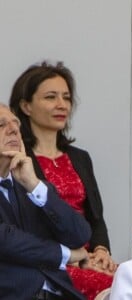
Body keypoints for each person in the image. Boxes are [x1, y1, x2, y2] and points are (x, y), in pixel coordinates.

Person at [9, 61, 117, 300]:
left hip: (89, 258)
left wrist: (101, 251)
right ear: (26, 105)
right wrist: (77, 257)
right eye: (50, 97)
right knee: (117, 290)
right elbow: (28, 225)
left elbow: (96, 217)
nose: (61, 105)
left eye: (66, 97)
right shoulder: (19, 161)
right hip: (55, 263)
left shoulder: (80, 157)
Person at [0, 103, 91, 299]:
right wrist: (67, 254)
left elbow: (80, 234)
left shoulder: (30, 185)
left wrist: (33, 184)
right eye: (1, 125)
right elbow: (7, 240)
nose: (14, 129)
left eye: (15, 124)